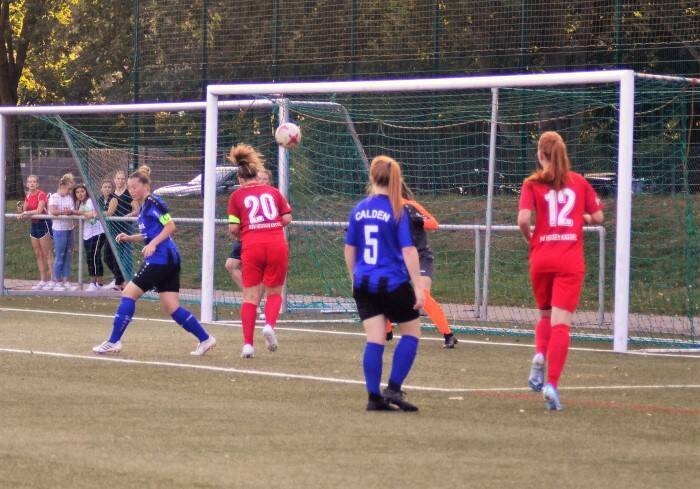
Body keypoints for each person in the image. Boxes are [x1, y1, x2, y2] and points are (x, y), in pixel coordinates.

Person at [518, 131, 604, 411]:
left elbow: (523, 219)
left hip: (541, 257)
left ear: (540, 155)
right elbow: (599, 217)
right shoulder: (579, 182)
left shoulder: (531, 183)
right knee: (561, 324)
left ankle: (539, 354)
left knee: (544, 316)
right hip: (569, 260)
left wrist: (531, 239)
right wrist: (583, 217)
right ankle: (551, 385)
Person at [92, 169, 216, 356]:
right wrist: (130, 238)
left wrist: (153, 244)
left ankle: (113, 341)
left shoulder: (154, 202)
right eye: (130, 187)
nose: (131, 190)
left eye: (135, 187)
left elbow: (170, 226)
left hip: (161, 259)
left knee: (128, 293)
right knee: (171, 306)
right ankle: (205, 339)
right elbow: (150, 233)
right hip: (168, 259)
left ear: (146, 186)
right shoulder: (143, 207)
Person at [344, 155, 425, 412]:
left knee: (375, 338)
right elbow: (409, 250)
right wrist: (419, 286)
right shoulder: (397, 209)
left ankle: (373, 397)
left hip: (364, 282)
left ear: (372, 177)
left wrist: (353, 277)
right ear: (395, 179)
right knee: (411, 332)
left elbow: (349, 248)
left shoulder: (358, 209)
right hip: (392, 282)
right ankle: (393, 388)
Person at [227, 145, 292, 358]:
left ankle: (248, 345)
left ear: (240, 179)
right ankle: (269, 325)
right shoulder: (273, 192)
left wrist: (246, 233)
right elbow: (287, 217)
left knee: (250, 297)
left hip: (252, 246)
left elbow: (233, 228)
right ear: (257, 175)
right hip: (276, 244)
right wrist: (270, 226)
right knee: (274, 292)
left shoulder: (236, 196)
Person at [385, 182, 458, 349]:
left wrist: (420, 221)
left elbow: (433, 223)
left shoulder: (410, 206)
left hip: (421, 257)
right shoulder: (383, 211)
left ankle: (448, 335)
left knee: (423, 296)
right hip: (399, 259)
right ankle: (387, 331)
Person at [224, 168, 271, 320]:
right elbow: (234, 224)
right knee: (230, 265)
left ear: (269, 182)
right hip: (245, 237)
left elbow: (284, 218)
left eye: (265, 179)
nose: (261, 181)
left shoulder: (272, 196)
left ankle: (254, 303)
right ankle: (251, 298)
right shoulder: (242, 195)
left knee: (261, 273)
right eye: (259, 178)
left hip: (263, 239)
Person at [17, 175, 55, 290]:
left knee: (47, 253)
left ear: (37, 184)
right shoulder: (28, 195)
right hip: (34, 225)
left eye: (34, 182)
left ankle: (53, 280)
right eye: (30, 182)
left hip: (43, 223)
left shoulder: (41, 194)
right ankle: (43, 280)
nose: (32, 184)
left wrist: (25, 213)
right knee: (38, 253)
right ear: (27, 184)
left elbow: (39, 210)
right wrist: (20, 210)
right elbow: (24, 210)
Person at [103, 169, 138, 289]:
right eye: (118, 178)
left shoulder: (129, 194)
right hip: (113, 228)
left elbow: (136, 210)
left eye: (123, 179)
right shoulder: (112, 195)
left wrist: (127, 216)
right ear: (114, 180)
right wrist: (96, 213)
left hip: (125, 228)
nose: (120, 181)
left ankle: (122, 281)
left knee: (122, 255)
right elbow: (108, 212)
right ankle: (119, 279)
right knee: (107, 256)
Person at [73, 183, 107, 291]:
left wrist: (75, 212)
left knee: (95, 256)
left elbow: (91, 214)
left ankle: (97, 283)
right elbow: (82, 219)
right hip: (87, 234)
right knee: (89, 258)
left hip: (97, 233)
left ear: (86, 192)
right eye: (77, 192)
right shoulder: (79, 204)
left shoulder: (91, 201)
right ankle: (95, 283)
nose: (80, 194)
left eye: (82, 191)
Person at [47, 173, 77, 291]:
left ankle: (65, 279)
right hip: (59, 230)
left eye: (70, 189)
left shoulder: (69, 198)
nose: (69, 191)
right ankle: (56, 280)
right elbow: (53, 211)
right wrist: (64, 212)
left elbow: (72, 210)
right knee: (60, 255)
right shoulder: (54, 197)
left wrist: (69, 212)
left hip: (69, 229)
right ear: (62, 186)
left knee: (68, 255)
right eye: (68, 189)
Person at [97, 179, 124, 290]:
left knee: (113, 256)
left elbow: (109, 212)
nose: (107, 189)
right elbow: (96, 211)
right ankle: (120, 280)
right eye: (105, 187)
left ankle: (119, 281)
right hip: (107, 231)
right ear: (101, 189)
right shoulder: (100, 199)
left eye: (109, 187)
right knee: (107, 258)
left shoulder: (114, 199)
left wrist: (96, 213)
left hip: (116, 230)